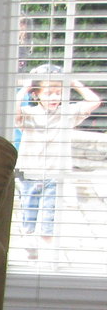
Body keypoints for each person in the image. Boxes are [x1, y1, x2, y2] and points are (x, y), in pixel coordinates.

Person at [14, 65, 101, 258]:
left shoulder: (67, 113)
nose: (54, 97)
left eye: (58, 92)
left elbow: (94, 101)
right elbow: (13, 112)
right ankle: (29, 239)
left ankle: (48, 251)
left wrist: (74, 83)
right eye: (48, 93)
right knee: (29, 209)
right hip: (30, 172)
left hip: (54, 173)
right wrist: (26, 88)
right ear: (36, 95)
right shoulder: (29, 113)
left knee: (50, 215)